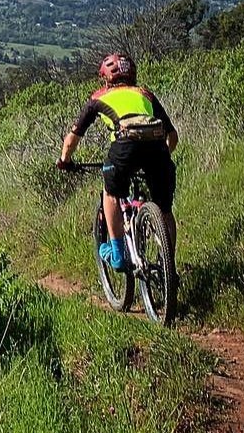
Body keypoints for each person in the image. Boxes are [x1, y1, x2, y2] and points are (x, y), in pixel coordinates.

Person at [56, 53, 179, 271]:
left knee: (110, 192)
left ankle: (118, 255)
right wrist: (162, 157)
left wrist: (65, 161)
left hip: (124, 148)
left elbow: (72, 139)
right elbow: (173, 136)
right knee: (165, 210)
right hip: (157, 149)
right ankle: (168, 266)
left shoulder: (99, 98)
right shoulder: (145, 94)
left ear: (105, 78)